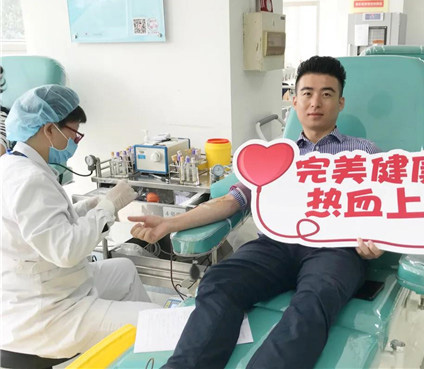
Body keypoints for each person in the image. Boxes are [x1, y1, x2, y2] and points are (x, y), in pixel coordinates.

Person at [129, 56, 383, 369]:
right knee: (219, 281)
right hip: (276, 246)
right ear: (294, 100)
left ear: (340, 102)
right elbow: (232, 201)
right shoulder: (276, 155)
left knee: (314, 299)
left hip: (334, 249)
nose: (315, 102)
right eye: (307, 93)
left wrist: (377, 242)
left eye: (327, 94)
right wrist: (168, 223)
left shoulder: (364, 153)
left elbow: (384, 211)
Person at [0, 85, 160, 359]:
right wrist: (108, 207)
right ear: (49, 130)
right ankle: (148, 346)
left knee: (123, 269)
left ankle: (134, 355)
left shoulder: (15, 164)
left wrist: (86, 207)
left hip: (49, 284)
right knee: (155, 320)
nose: (76, 141)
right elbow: (66, 251)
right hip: (46, 313)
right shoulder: (29, 179)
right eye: (73, 134)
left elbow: (44, 226)